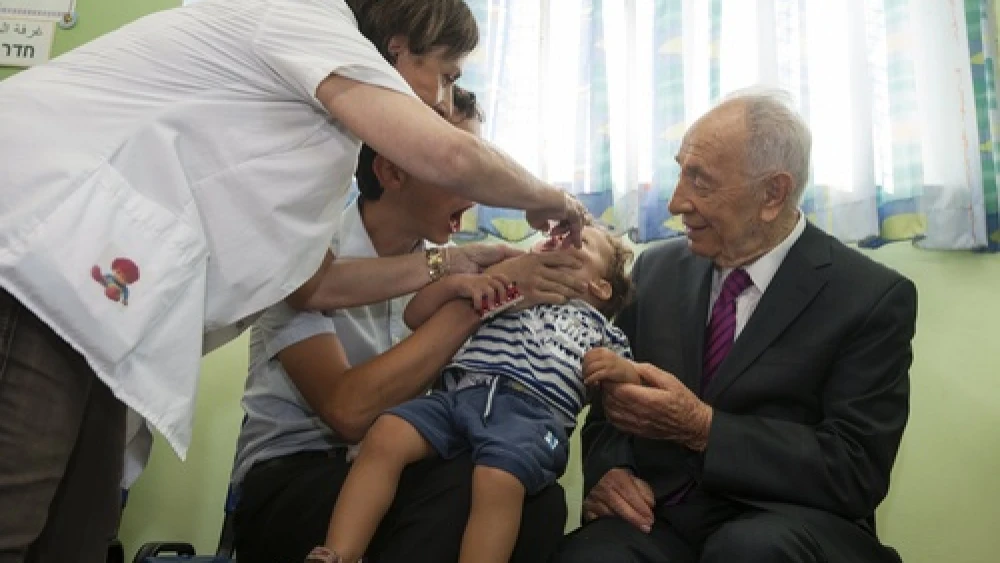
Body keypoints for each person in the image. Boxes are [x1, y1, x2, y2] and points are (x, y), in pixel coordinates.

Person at [0, 0, 591, 559]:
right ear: (398, 45)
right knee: (15, 518)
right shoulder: (300, 16)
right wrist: (548, 200)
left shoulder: (319, 143)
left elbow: (313, 285)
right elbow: (453, 157)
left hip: (98, 304)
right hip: (39, 252)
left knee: (73, 535)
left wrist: (459, 266)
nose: (439, 99)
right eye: (443, 73)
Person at [551, 88, 917, 563]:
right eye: (680, 170)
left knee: (748, 552)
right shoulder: (656, 271)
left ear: (772, 194)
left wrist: (705, 429)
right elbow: (609, 408)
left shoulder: (870, 297)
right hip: (660, 519)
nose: (676, 203)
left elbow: (854, 469)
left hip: (789, 523)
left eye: (700, 181)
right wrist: (611, 471)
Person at [232, 88, 585, 563]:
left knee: (533, 496)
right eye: (460, 172)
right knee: (457, 490)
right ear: (392, 170)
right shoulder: (307, 257)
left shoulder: (452, 265)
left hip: (395, 463)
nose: (476, 194)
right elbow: (349, 411)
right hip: (290, 478)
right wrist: (482, 301)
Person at [307, 224, 635, 563]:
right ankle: (338, 554)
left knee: (498, 480)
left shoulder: (601, 331)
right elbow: (414, 314)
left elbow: (628, 393)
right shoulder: (510, 288)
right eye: (561, 232)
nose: (565, 236)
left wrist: (622, 372)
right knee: (387, 432)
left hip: (531, 420)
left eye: (582, 241)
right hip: (461, 395)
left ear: (600, 286)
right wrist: (461, 285)